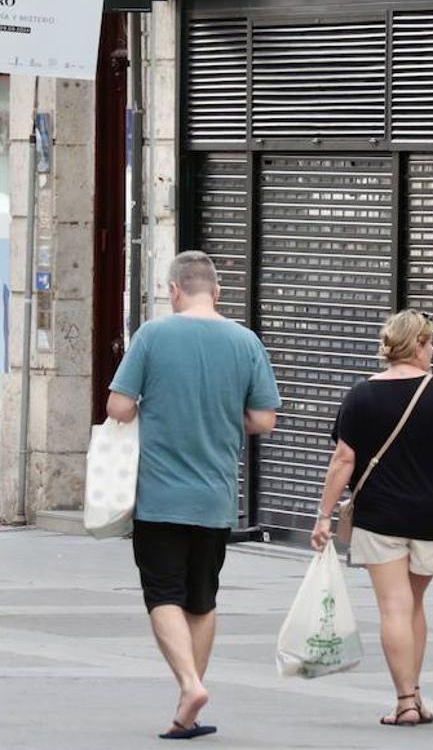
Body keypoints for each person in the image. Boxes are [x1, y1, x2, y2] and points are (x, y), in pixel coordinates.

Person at [106, 251, 280, 740]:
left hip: (160, 495)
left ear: (174, 290)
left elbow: (118, 406)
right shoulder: (245, 341)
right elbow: (264, 420)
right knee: (201, 600)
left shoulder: (154, 335)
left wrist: (152, 407)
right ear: (217, 292)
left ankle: (188, 683)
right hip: (215, 498)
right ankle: (190, 710)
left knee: (162, 593)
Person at [311, 309, 433, 727]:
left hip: (380, 518)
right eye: (431, 343)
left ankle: (405, 700)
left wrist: (323, 517)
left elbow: (343, 460)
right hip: (432, 519)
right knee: (413, 606)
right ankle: (416, 695)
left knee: (394, 607)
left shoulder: (361, 396)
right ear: (420, 345)